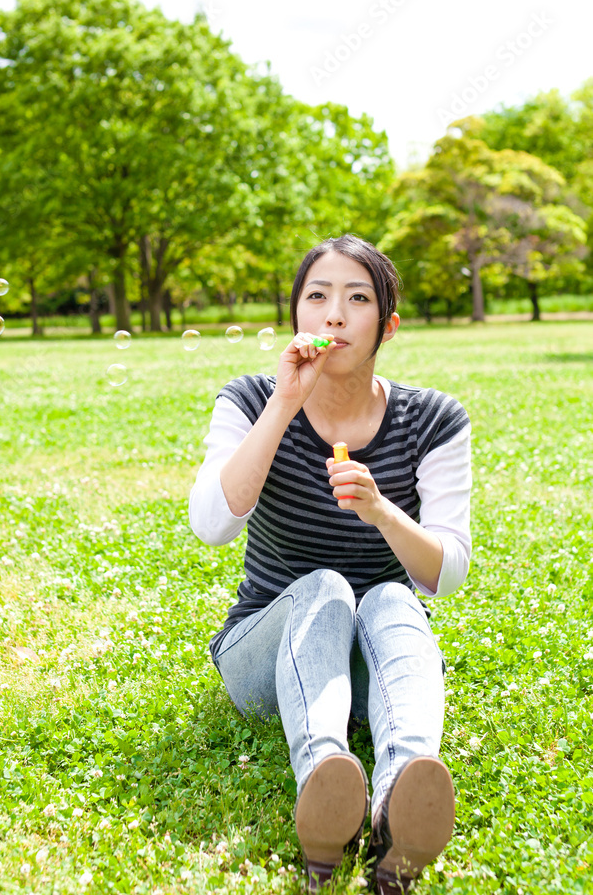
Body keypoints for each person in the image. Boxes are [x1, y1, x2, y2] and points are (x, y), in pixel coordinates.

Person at [188, 234, 472, 893]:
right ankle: (326, 777)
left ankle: (405, 790)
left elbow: (444, 573)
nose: (333, 315)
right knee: (325, 586)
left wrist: (381, 510)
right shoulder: (250, 398)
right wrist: (283, 403)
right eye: (316, 297)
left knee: (394, 598)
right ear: (296, 317)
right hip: (262, 653)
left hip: (370, 655)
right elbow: (211, 525)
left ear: (388, 325)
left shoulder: (433, 419)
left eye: (356, 298)